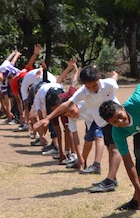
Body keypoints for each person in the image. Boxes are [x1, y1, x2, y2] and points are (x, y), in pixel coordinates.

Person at [35, 65, 122, 194]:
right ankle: (112, 178)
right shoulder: (82, 92)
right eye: (89, 86)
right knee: (110, 148)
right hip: (103, 122)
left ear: (98, 78)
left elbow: (114, 79)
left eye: (94, 85)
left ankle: (109, 180)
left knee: (114, 148)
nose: (92, 89)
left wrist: (115, 74)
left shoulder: (108, 84)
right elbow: (66, 105)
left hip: (116, 118)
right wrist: (47, 118)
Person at [98, 56, 140, 218]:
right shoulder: (117, 133)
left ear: (122, 108)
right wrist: (139, 189)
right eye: (114, 122)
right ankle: (136, 200)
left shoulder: (136, 102)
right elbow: (128, 163)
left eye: (119, 117)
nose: (120, 122)